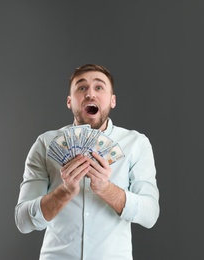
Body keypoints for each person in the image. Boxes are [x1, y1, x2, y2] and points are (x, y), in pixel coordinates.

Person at [15, 64, 160, 260]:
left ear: (112, 100)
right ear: (69, 101)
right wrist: (64, 192)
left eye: (99, 87)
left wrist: (106, 189)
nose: (90, 94)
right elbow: (23, 221)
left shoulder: (136, 143)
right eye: (81, 88)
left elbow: (150, 215)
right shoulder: (46, 144)